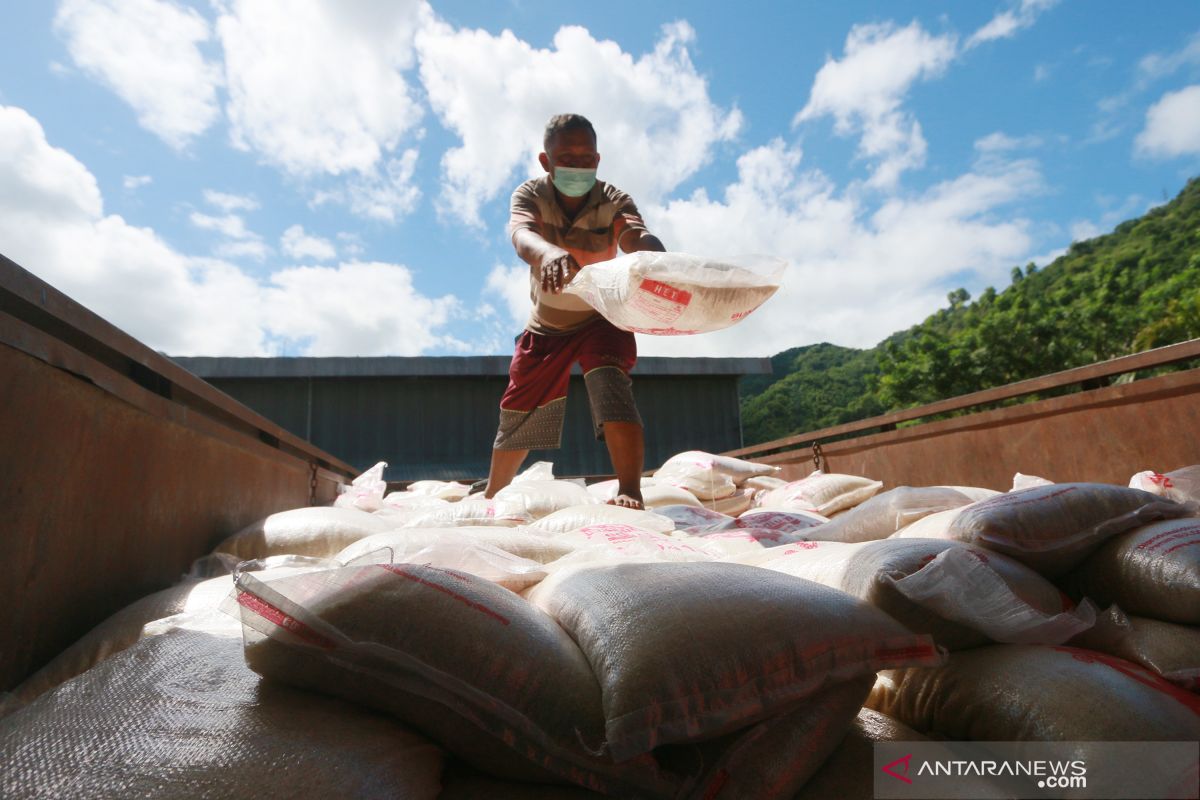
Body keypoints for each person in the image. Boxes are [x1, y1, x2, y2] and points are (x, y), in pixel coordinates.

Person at [483, 113, 665, 509]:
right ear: (546, 162)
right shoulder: (530, 194)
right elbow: (521, 234)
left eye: (586, 158)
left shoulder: (612, 198)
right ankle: (493, 495)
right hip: (548, 325)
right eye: (567, 157)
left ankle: (630, 491)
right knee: (521, 406)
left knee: (610, 386)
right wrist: (547, 252)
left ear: (597, 160)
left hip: (603, 314)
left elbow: (631, 232)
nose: (578, 166)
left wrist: (653, 252)